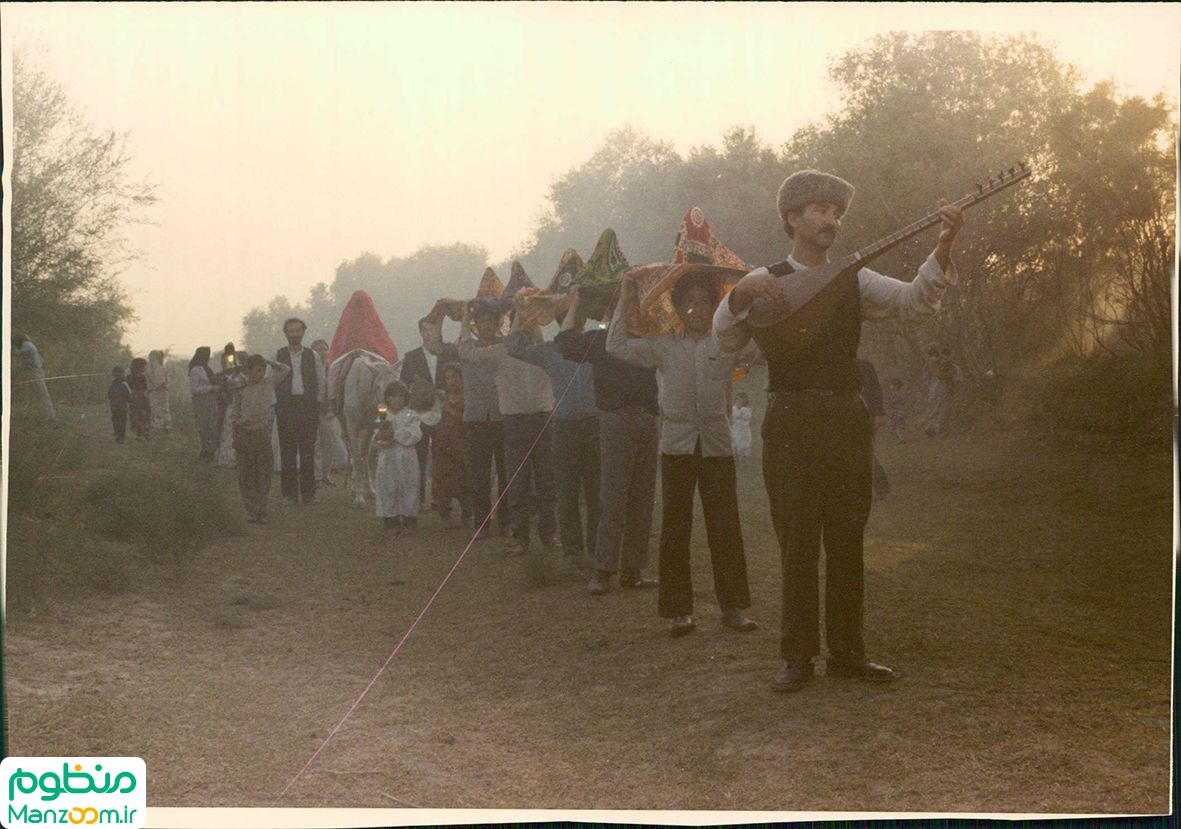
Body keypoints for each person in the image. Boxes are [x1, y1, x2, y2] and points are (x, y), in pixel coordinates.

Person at [715, 168, 964, 691]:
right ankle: (797, 658)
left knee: (847, 538)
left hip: (846, 420)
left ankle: (848, 653)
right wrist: (739, 296)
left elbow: (914, 304)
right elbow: (727, 340)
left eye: (835, 213)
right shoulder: (766, 277)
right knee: (798, 541)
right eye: (820, 211)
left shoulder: (855, 277)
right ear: (792, 218)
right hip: (790, 422)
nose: (831, 221)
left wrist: (943, 245)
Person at [608, 271, 759, 638]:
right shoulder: (663, 346)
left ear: (713, 306)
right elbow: (616, 346)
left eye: (703, 301)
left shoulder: (725, 343)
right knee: (676, 529)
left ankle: (733, 607)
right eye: (687, 301)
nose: (695, 308)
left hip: (717, 446)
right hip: (676, 446)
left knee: (725, 526)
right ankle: (679, 612)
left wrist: (755, 301)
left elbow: (762, 347)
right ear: (676, 307)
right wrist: (625, 299)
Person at [556, 285, 660, 595]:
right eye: (622, 304)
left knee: (642, 500)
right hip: (616, 420)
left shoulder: (649, 339)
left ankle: (632, 569)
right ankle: (603, 569)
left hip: (648, 420)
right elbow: (564, 343)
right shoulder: (600, 341)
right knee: (613, 498)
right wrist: (575, 301)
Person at [457, 297, 557, 555]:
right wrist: (466, 319)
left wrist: (526, 314)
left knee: (545, 481)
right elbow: (466, 352)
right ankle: (522, 537)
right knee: (518, 481)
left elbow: (538, 336)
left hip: (541, 419)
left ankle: (547, 535)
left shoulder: (544, 351)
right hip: (515, 421)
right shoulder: (501, 352)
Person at [505, 299, 601, 564]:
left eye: (579, 317)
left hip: (594, 425)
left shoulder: (596, 344)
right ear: (561, 321)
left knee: (595, 493)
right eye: (570, 317)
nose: (576, 322)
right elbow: (512, 345)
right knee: (567, 492)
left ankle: (595, 548)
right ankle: (572, 552)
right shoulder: (550, 350)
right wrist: (520, 313)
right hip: (564, 426)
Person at [423, 300, 510, 541]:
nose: (486, 326)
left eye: (490, 322)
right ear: (475, 325)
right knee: (479, 474)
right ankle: (482, 522)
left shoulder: (505, 347)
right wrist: (458, 316)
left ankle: (505, 522)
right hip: (476, 419)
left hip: (502, 416)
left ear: (497, 323)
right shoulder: (465, 349)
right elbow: (436, 345)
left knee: (505, 473)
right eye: (481, 322)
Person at [401, 317, 459, 513]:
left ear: (438, 331)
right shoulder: (411, 357)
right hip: (421, 413)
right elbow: (404, 385)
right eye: (424, 329)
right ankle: (417, 497)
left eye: (432, 329)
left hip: (445, 411)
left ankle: (441, 497)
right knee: (419, 454)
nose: (428, 333)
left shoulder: (449, 353)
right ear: (420, 332)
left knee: (443, 455)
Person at [230, 354, 291, 523]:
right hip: (245, 434)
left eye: (263, 370)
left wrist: (269, 362)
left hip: (262, 433)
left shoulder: (269, 383)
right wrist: (236, 435)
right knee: (246, 473)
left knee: (264, 472)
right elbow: (234, 415)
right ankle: (251, 510)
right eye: (257, 370)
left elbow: (286, 369)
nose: (261, 374)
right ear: (248, 371)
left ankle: (261, 509)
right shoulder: (240, 389)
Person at [275, 318, 325, 505]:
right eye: (291, 331)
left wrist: (317, 403)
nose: (295, 334)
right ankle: (289, 495)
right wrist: (276, 404)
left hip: (307, 407)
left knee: (307, 451)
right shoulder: (277, 355)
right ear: (285, 333)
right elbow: (271, 381)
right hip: (286, 407)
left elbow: (320, 380)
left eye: (298, 330)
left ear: (303, 332)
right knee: (287, 450)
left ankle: (308, 494)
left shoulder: (312, 355)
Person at [372, 380, 423, 534]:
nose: (397, 400)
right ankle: (391, 521)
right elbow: (377, 439)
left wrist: (394, 434)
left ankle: (409, 521)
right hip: (388, 457)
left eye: (400, 396)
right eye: (393, 397)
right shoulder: (382, 416)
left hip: (406, 457)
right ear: (387, 398)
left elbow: (415, 434)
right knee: (387, 486)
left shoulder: (411, 415)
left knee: (408, 486)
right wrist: (381, 436)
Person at [431, 362, 473, 528]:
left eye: (454, 377)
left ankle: (467, 515)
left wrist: (450, 409)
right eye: (447, 378)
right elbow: (431, 419)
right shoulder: (441, 398)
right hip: (443, 445)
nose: (451, 381)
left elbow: (468, 420)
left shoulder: (469, 397)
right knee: (443, 481)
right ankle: (445, 516)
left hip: (463, 445)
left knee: (465, 480)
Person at [310, 339, 349, 487]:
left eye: (325, 348)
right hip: (314, 409)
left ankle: (326, 474)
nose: (322, 351)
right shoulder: (310, 369)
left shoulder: (333, 368)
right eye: (318, 349)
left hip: (330, 410)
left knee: (329, 444)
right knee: (316, 445)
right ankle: (317, 476)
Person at [857, 358, 892, 499]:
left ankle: (880, 486)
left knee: (864, 451)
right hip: (848, 416)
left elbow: (875, 390)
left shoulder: (863, 365)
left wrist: (879, 414)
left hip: (865, 415)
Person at [188, 346, 222, 460]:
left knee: (212, 426)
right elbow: (194, 389)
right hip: (201, 402)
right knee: (203, 426)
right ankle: (205, 449)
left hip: (211, 401)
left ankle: (211, 450)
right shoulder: (195, 370)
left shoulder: (207, 369)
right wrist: (210, 388)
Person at [216, 345, 247, 468]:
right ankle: (228, 458)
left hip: (241, 405)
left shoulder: (242, 375)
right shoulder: (227, 375)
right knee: (229, 431)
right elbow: (223, 389)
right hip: (232, 404)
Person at [12, 334, 55, 419]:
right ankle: (26, 415)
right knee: (29, 395)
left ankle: (50, 415)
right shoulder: (30, 345)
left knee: (42, 393)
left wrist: (12, 349)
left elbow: (16, 353)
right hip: (31, 371)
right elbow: (41, 359)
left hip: (34, 371)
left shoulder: (26, 345)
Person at [925, 344, 962, 436]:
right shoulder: (935, 362)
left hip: (935, 386)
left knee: (935, 406)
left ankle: (933, 427)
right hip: (940, 386)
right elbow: (940, 375)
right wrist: (951, 373)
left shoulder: (934, 362)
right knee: (941, 406)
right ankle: (937, 428)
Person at [147, 350, 171, 435]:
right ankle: (161, 432)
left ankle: (157, 431)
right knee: (161, 413)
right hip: (160, 394)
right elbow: (159, 382)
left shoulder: (148, 368)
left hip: (153, 394)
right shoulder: (158, 368)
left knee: (156, 412)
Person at [128, 358, 151, 440]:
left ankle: (145, 431)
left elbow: (145, 388)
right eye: (144, 366)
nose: (145, 368)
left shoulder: (143, 377)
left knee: (144, 414)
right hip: (136, 398)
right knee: (137, 415)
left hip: (141, 397)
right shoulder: (131, 377)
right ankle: (140, 433)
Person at [107, 366, 132, 444]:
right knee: (115, 419)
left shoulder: (124, 383)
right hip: (115, 405)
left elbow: (129, 394)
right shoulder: (113, 384)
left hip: (121, 405)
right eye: (115, 373)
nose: (117, 375)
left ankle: (121, 436)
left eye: (119, 373)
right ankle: (118, 434)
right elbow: (109, 394)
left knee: (121, 420)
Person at [886, 377, 909, 443]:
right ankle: (900, 438)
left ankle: (901, 439)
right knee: (898, 426)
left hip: (898, 412)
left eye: (891, 385)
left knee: (898, 426)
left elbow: (892, 402)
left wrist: (890, 403)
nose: (890, 386)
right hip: (898, 412)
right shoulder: (898, 394)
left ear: (895, 386)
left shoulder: (897, 394)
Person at [731, 392, 753, 458]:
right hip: (735, 429)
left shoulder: (747, 410)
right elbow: (733, 417)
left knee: (743, 444)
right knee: (734, 443)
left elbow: (746, 417)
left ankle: (741, 455)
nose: (737, 401)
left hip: (743, 431)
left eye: (740, 400)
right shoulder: (734, 408)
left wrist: (741, 410)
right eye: (736, 399)